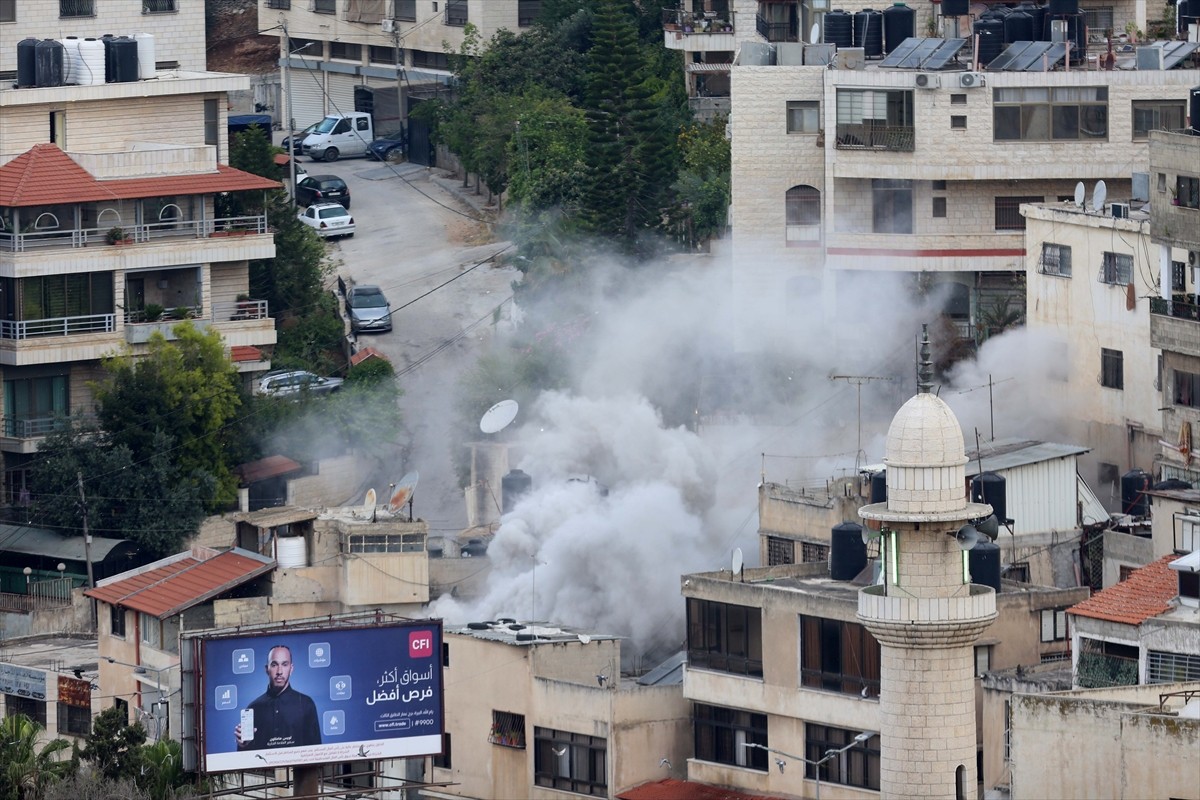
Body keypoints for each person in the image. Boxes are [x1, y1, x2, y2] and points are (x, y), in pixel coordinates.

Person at [234, 645, 321, 750]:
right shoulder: (253, 708)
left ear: (291, 669)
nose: (279, 671)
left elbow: (316, 751)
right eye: (274, 665)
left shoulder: (306, 704)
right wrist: (242, 745)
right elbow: (244, 755)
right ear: (267, 669)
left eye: (285, 664)